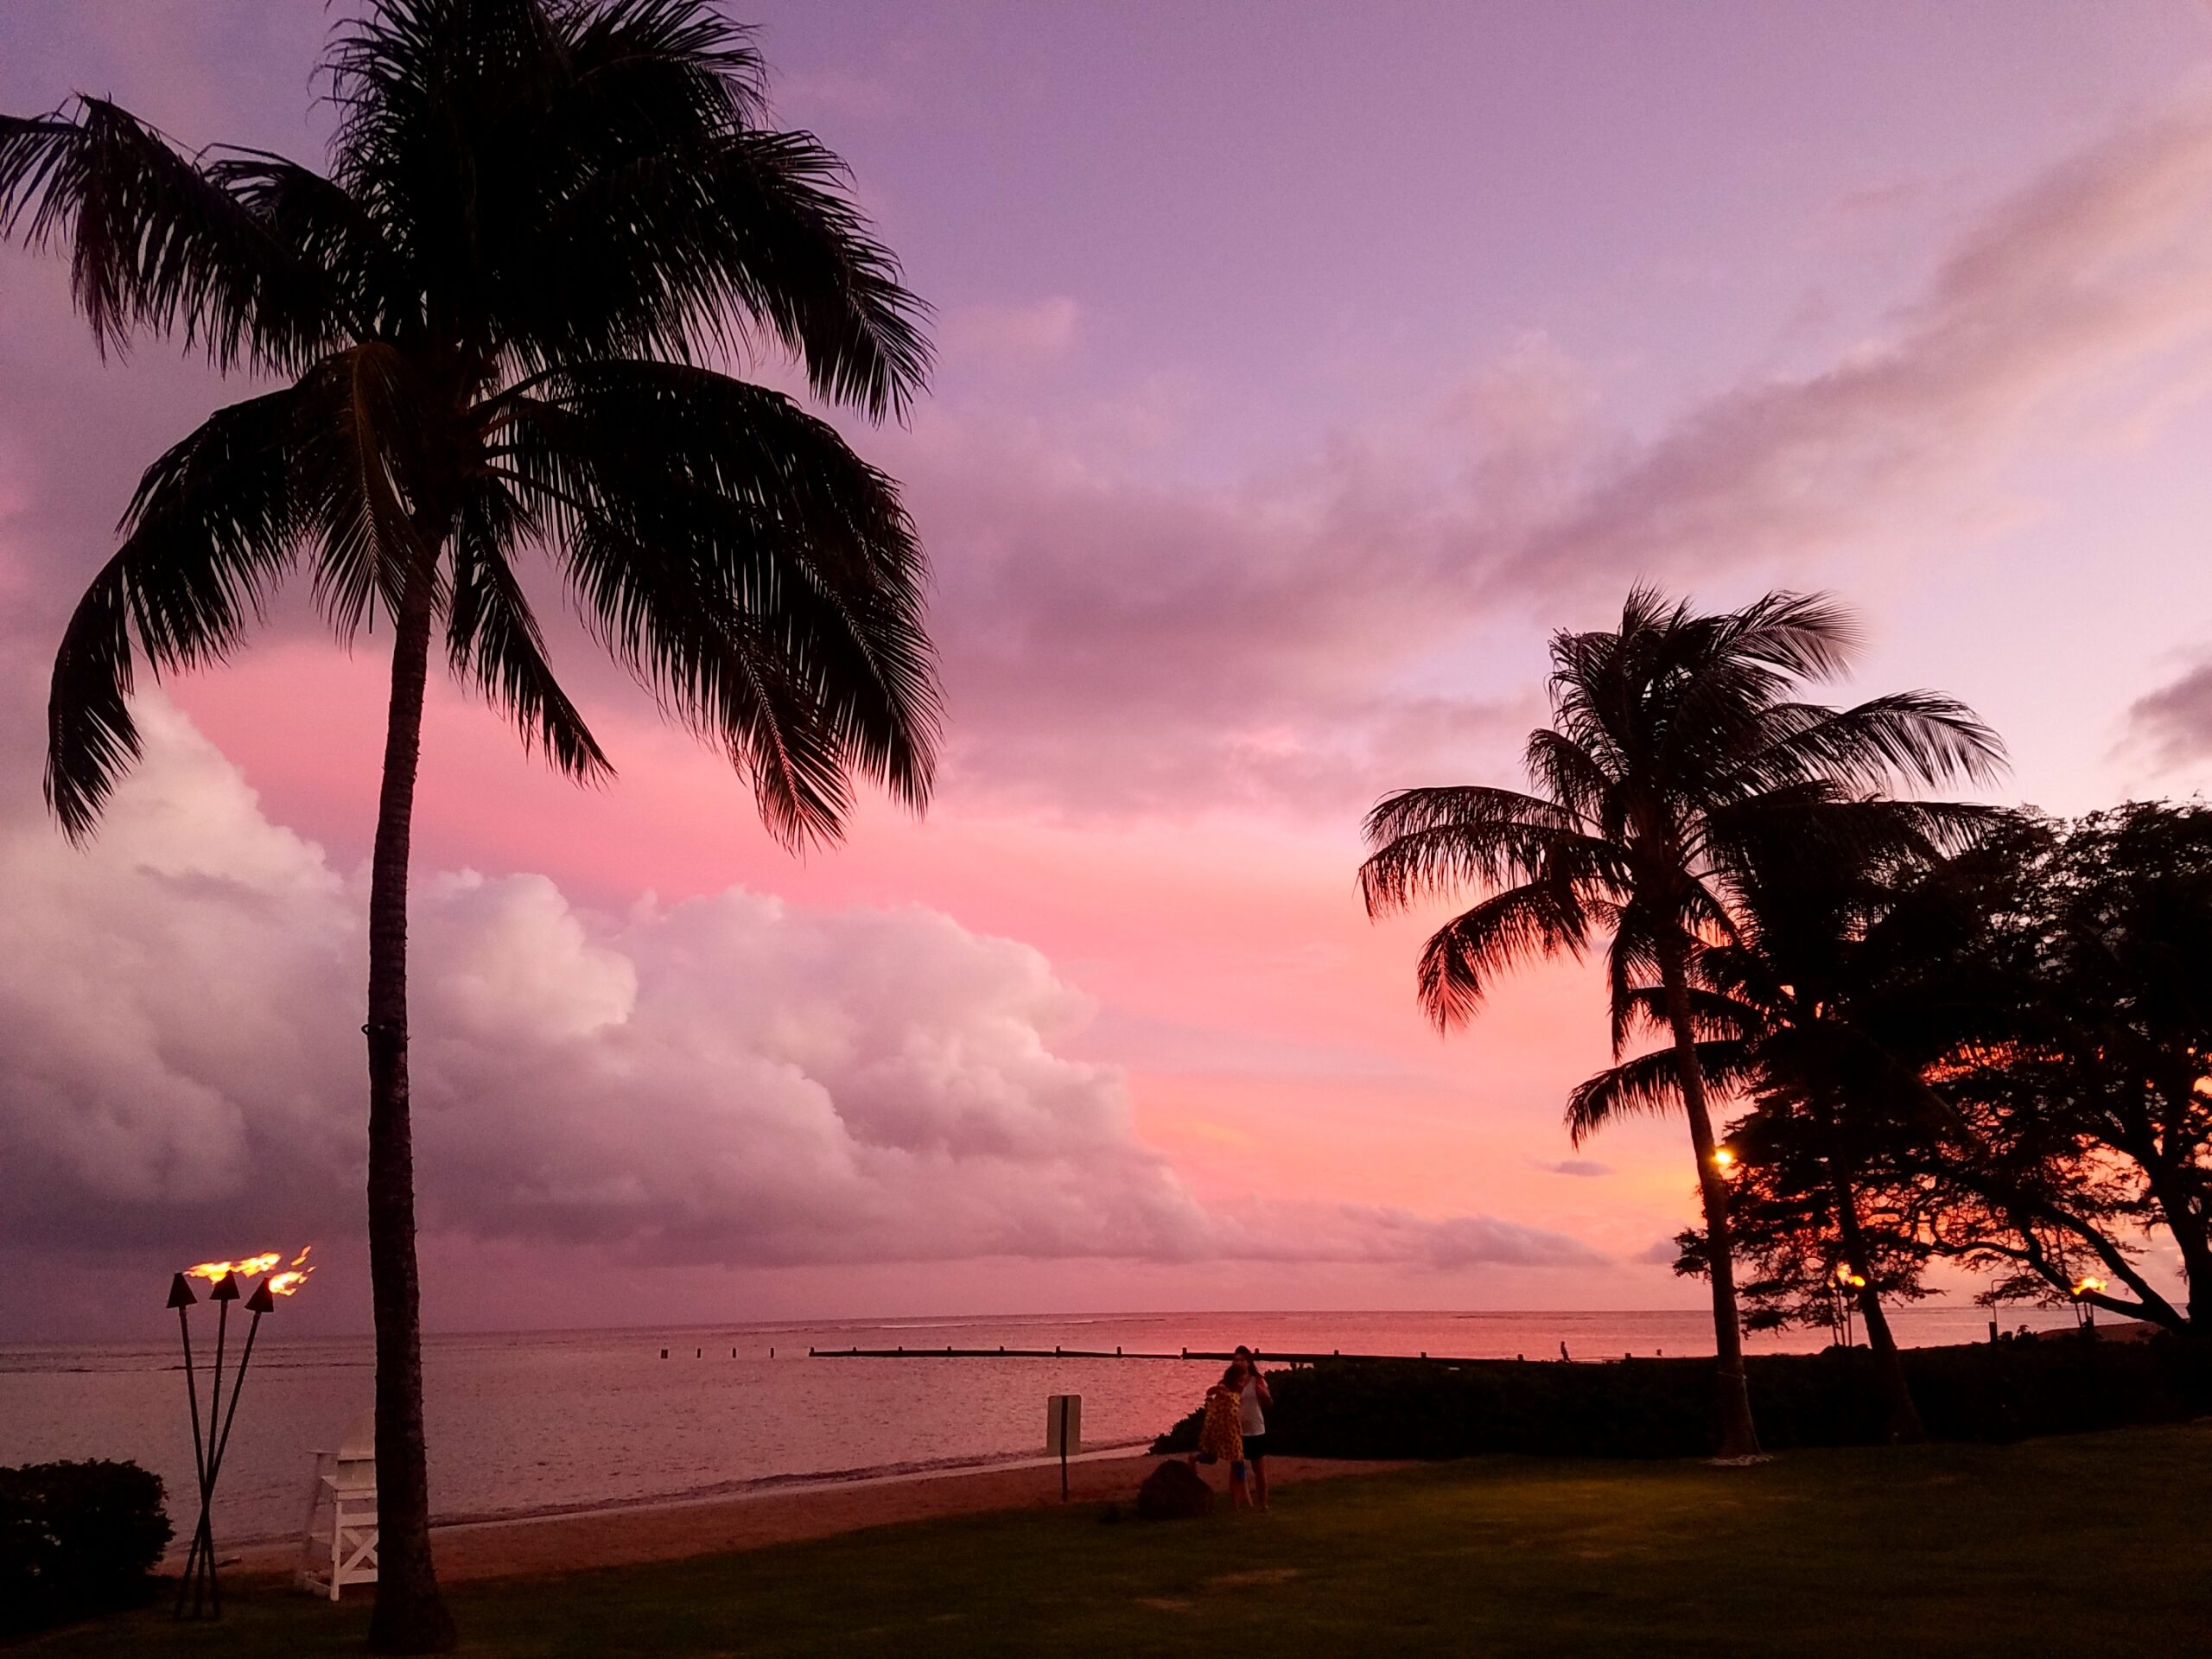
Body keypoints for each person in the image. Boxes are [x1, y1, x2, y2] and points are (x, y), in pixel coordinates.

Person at [1192, 1360, 1251, 1510]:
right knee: (1213, 1458)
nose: (1242, 1384)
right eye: (1240, 1381)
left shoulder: (1238, 1394)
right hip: (1222, 1432)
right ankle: (1193, 1459)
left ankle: (1240, 1502)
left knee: (1238, 1463)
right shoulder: (1225, 1390)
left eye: (1243, 1382)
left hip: (1234, 1434)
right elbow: (1210, 1391)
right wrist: (1216, 1389)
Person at [1233, 1344, 1274, 1511]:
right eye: (1236, 1360)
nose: (1238, 1362)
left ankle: (1263, 1503)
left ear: (1249, 1362)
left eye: (1242, 1360)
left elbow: (1269, 1403)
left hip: (1256, 1429)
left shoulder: (1258, 1380)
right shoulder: (1231, 1382)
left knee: (1259, 1470)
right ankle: (1238, 1504)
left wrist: (1264, 1395)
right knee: (1237, 1469)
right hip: (1237, 1431)